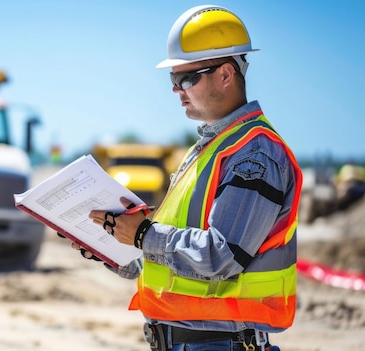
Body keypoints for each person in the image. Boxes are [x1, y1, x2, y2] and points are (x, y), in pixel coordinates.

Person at [70, 5, 302, 351]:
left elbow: (220, 257)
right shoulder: (209, 150)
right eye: (172, 79)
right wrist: (107, 243)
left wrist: (144, 233)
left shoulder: (254, 154)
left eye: (186, 78)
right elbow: (158, 261)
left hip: (223, 344)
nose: (177, 90)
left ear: (226, 75)